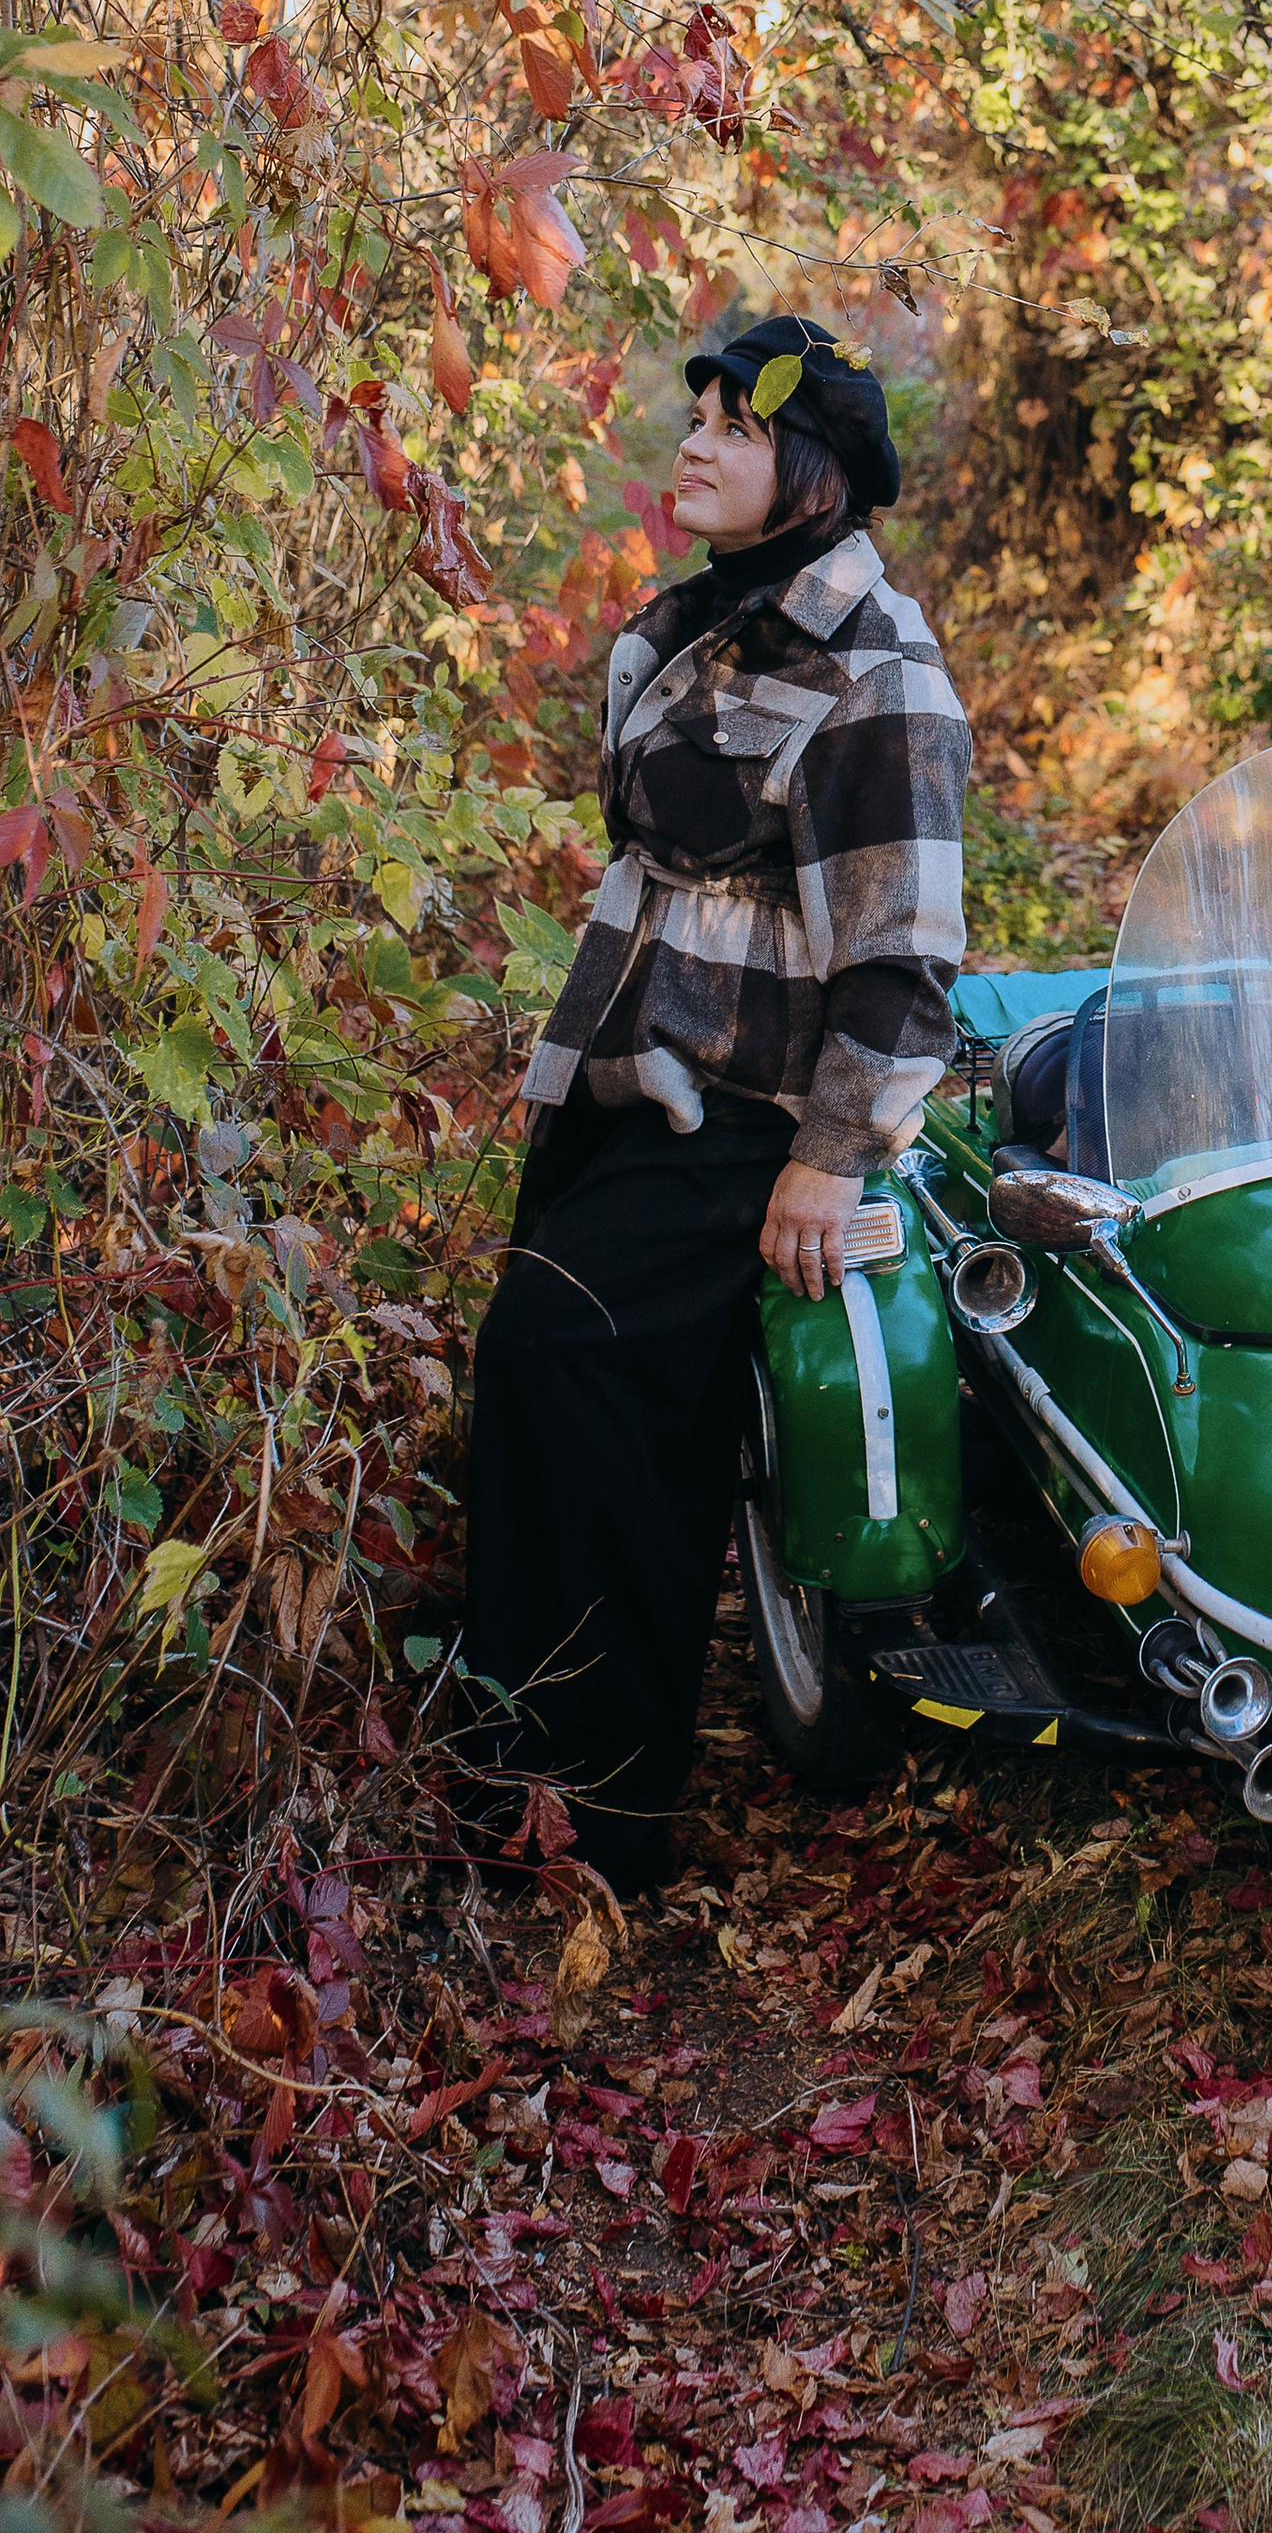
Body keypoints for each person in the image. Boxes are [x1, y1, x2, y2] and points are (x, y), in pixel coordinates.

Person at [458, 315, 969, 1891]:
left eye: (731, 427)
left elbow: (903, 955)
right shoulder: (689, 623)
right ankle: (512, 1787)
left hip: (750, 1114)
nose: (691, 439)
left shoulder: (873, 664)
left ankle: (594, 1830)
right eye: (690, 410)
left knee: (575, 1379)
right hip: (628, 1086)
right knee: (557, 1389)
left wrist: (830, 1160)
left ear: (809, 473)